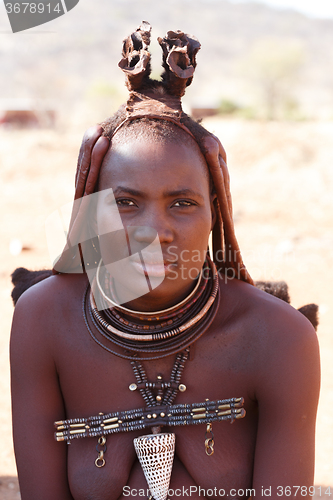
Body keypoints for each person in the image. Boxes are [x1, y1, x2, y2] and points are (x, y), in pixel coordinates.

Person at [10, 23, 320, 500]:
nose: (155, 231)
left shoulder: (277, 338)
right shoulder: (45, 321)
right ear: (92, 212)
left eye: (182, 203)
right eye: (126, 202)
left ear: (215, 213)